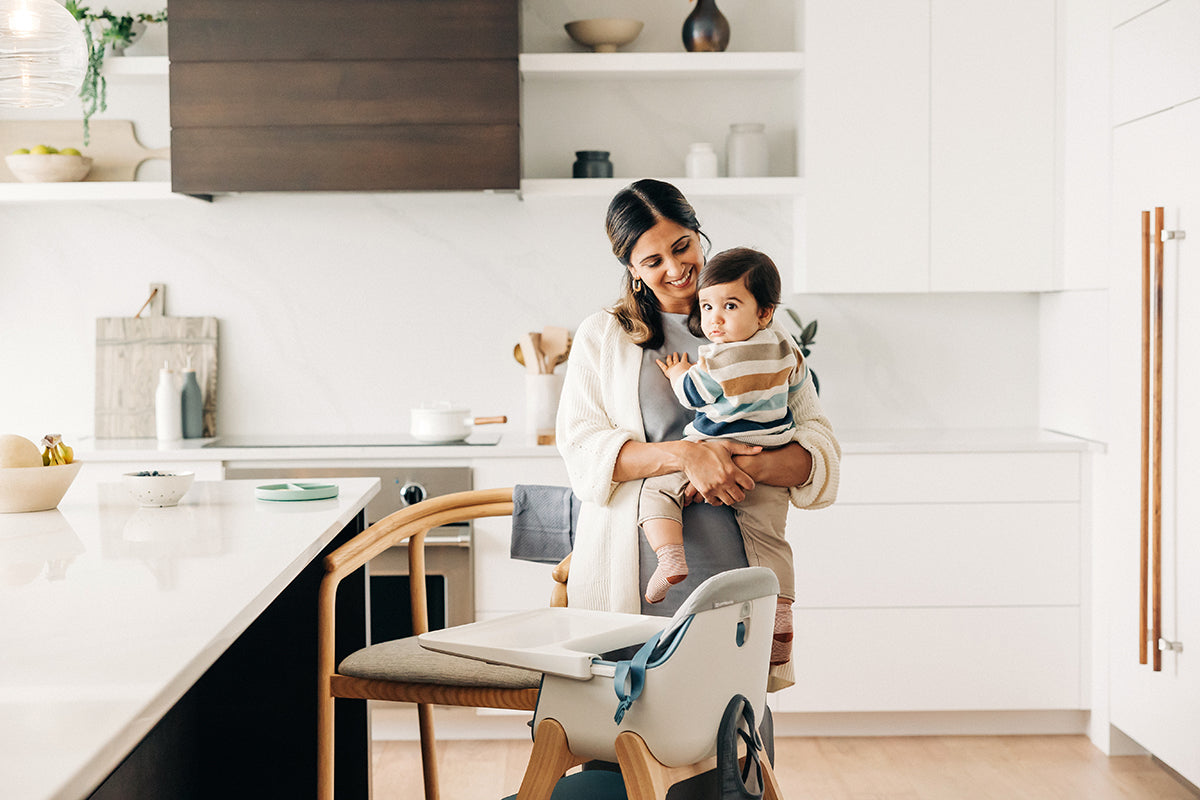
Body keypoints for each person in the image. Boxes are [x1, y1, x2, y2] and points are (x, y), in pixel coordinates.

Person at [555, 178, 840, 692]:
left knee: (729, 742)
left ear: (698, 233)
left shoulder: (759, 327)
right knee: (620, 740)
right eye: (653, 260)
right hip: (636, 578)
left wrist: (740, 465)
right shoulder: (603, 335)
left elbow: (817, 446)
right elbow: (582, 452)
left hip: (736, 567)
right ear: (632, 270)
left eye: (682, 246)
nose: (675, 268)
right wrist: (688, 455)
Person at [638, 247, 804, 668]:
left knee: (657, 493)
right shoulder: (783, 344)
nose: (714, 319)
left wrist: (678, 373)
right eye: (708, 306)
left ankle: (670, 554)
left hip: (728, 448)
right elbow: (798, 379)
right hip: (771, 450)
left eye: (729, 307)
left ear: (763, 312)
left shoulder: (719, 357)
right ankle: (781, 615)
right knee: (771, 541)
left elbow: (693, 394)